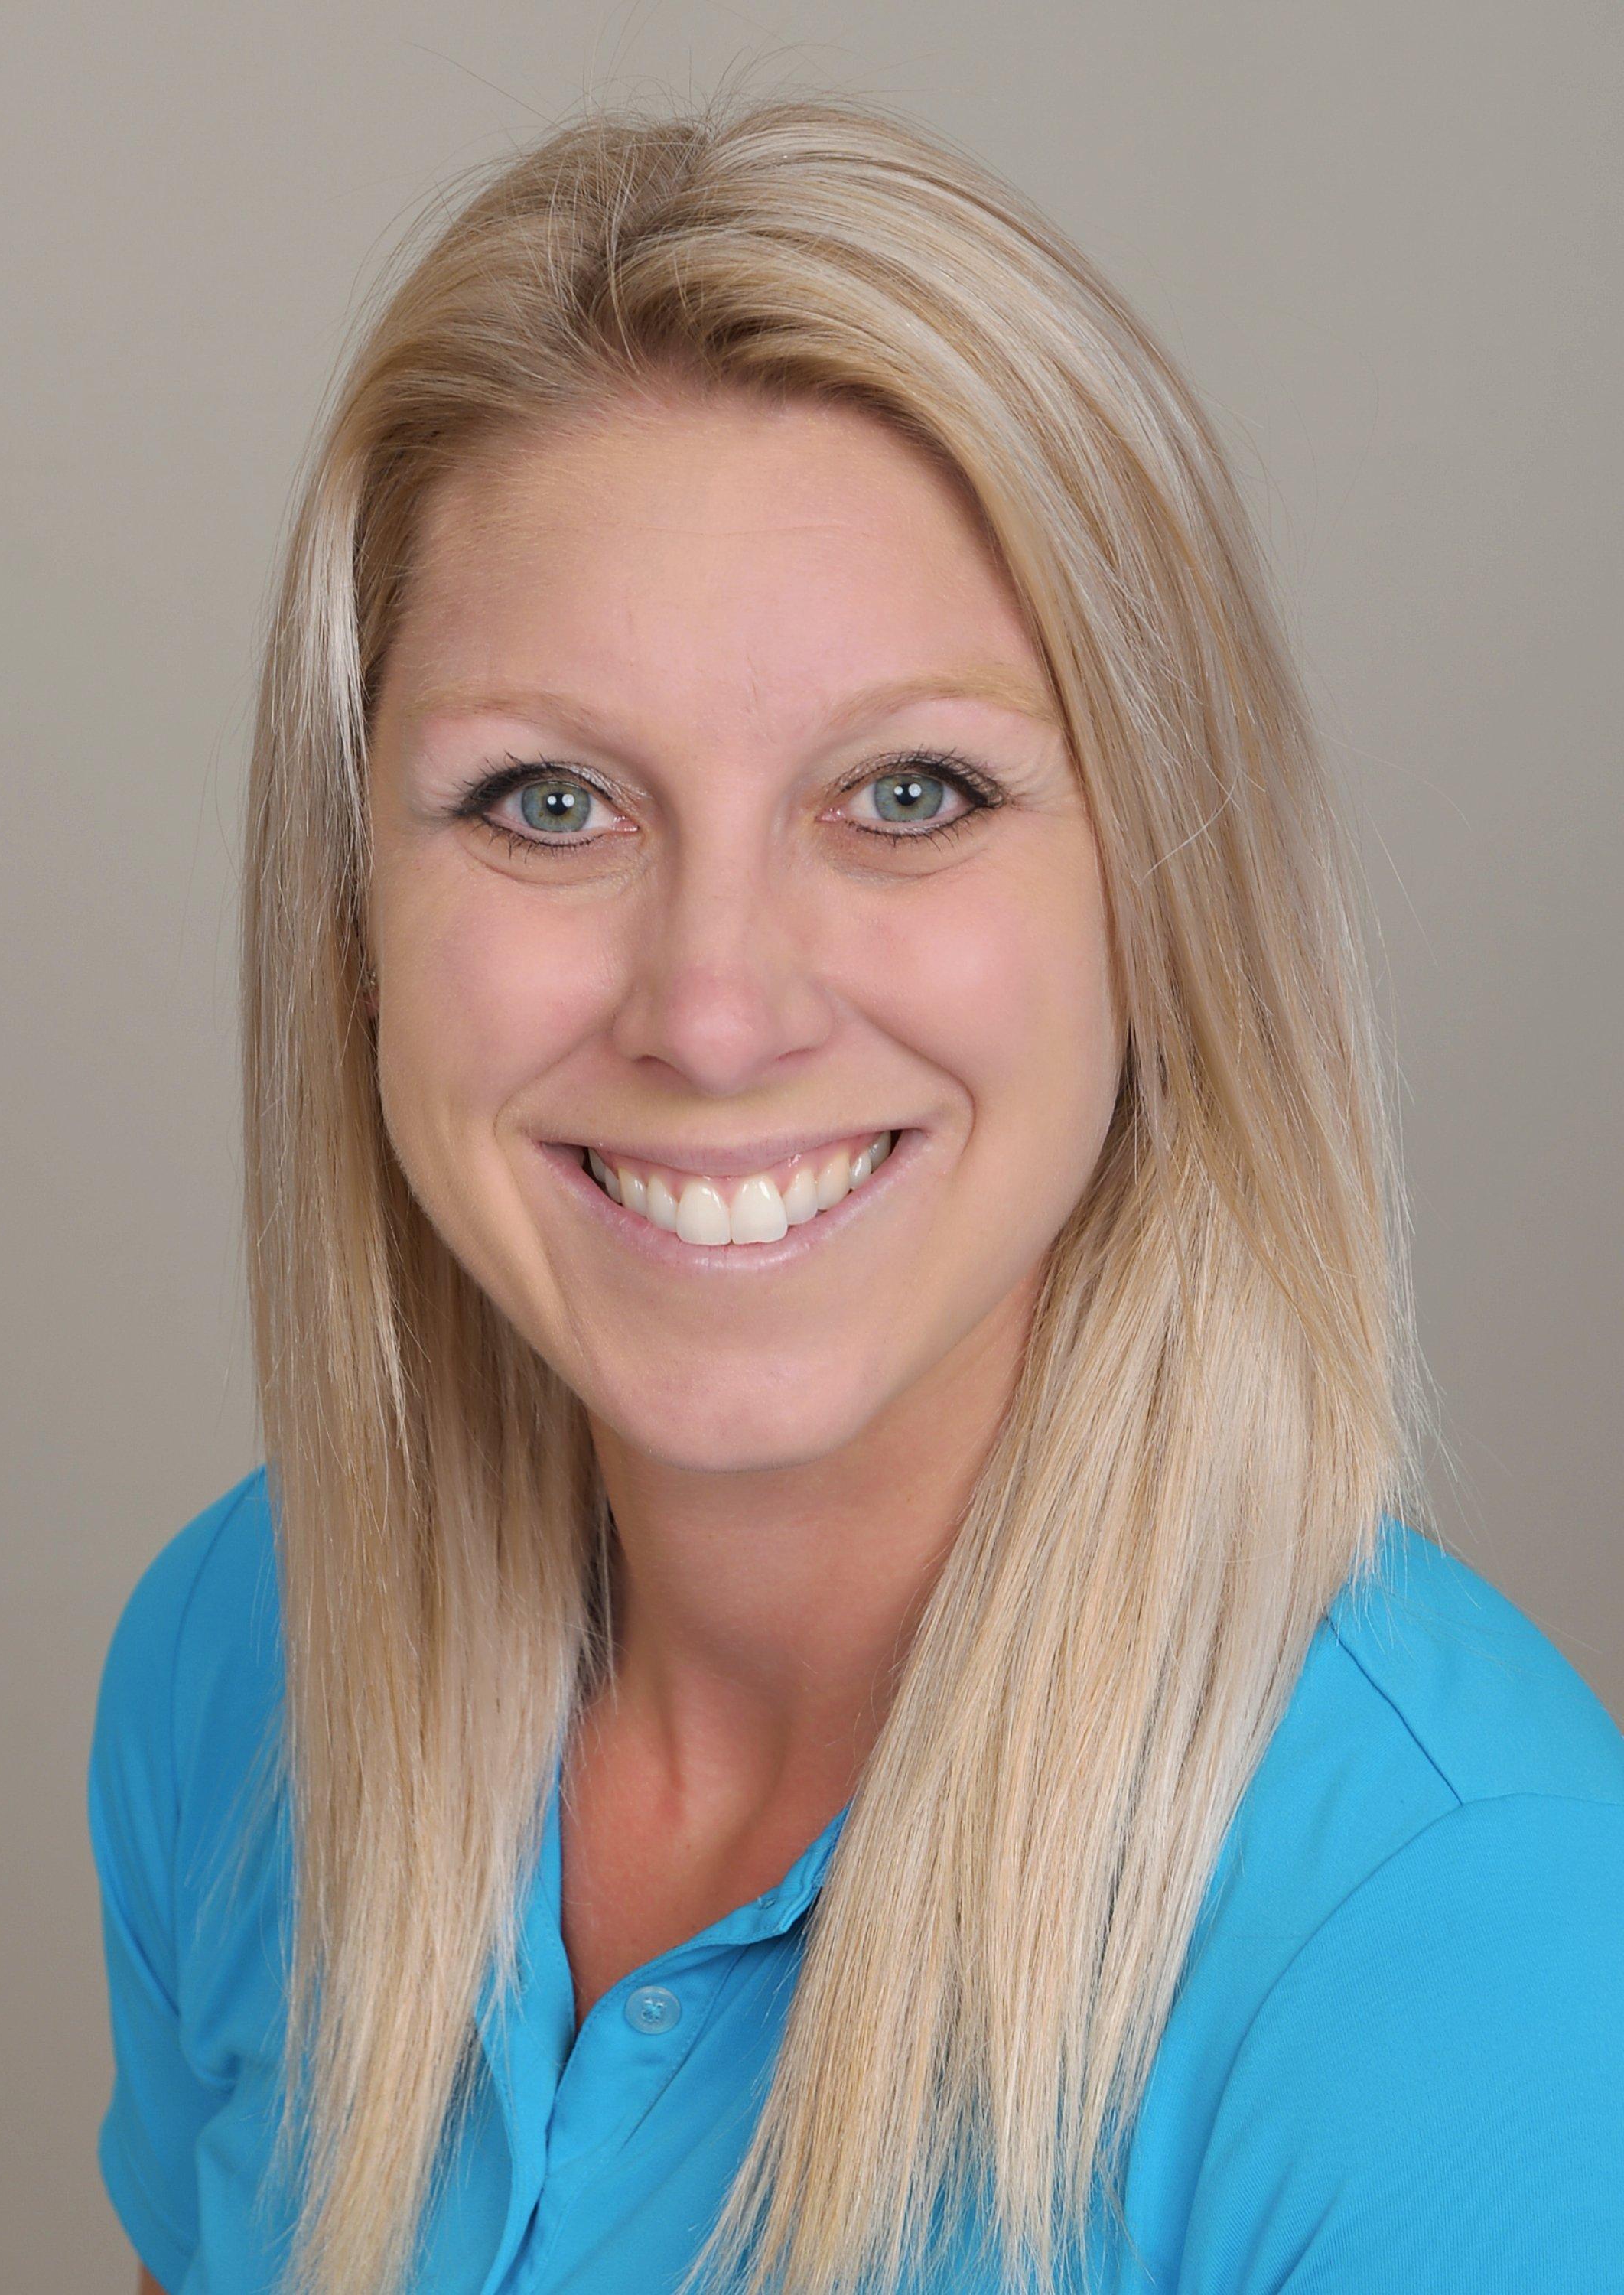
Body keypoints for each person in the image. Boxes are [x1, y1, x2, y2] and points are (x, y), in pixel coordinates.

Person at [87, 87, 1624, 2295]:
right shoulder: (235, 1667)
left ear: (1166, 906)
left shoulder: (1468, 1984)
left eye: (910, 792)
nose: (716, 1008)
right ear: (352, 926)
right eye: (545, 801)